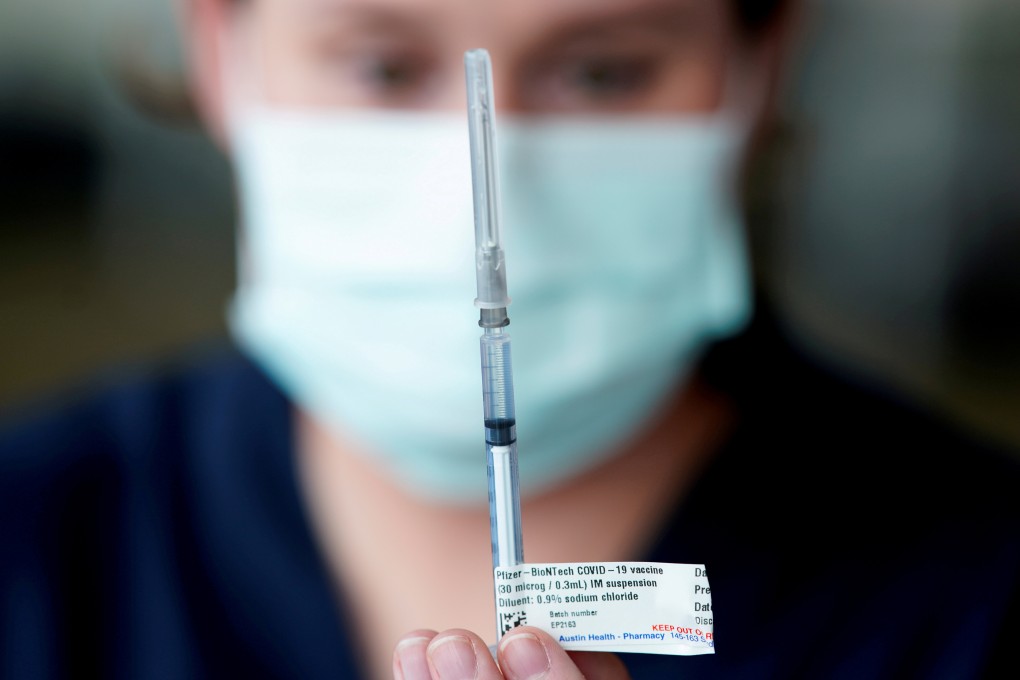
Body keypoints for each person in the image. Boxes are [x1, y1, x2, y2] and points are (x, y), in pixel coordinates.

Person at [2, 0, 1018, 678]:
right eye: (382, 67)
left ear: (765, 66)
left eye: (606, 74)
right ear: (221, 53)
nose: (479, 192)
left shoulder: (979, 597)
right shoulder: (33, 542)